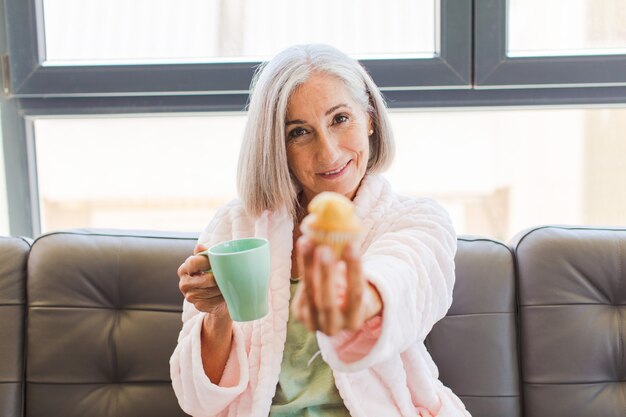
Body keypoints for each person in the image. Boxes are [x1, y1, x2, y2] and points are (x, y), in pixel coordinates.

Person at [171, 44, 470, 417]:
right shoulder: (236, 227)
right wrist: (219, 315)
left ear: (370, 118)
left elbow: (405, 274)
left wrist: (355, 300)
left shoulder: (417, 220)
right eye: (300, 132)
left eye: (340, 119)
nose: (328, 153)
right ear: (278, 146)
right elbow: (197, 402)